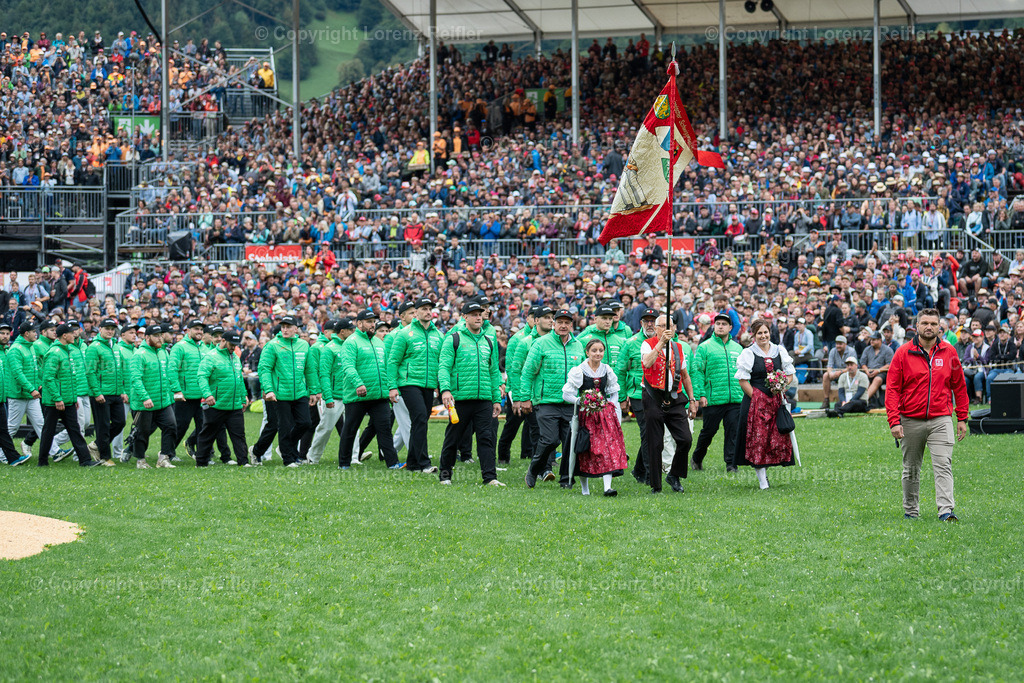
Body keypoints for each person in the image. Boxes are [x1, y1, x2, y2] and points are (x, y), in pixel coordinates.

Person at [886, 308, 969, 521]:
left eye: (933, 323)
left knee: (943, 464)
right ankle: (911, 511)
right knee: (911, 469)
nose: (929, 327)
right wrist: (894, 421)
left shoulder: (949, 352)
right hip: (910, 419)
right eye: (925, 323)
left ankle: (946, 511)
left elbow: (959, 386)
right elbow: (893, 388)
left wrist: (962, 417)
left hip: (941, 419)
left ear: (939, 326)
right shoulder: (903, 353)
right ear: (917, 326)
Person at [437, 300, 504, 485]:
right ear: (464, 317)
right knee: (453, 438)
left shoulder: (489, 342)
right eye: (473, 314)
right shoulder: (454, 338)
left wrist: (496, 399)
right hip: (459, 398)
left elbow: (493, 372)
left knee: (487, 438)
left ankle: (490, 478)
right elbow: (443, 367)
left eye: (480, 314)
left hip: (483, 399)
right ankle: (445, 476)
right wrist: (445, 390)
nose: (478, 317)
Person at [522, 308, 584, 488]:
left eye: (567, 322)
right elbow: (528, 373)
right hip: (547, 400)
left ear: (571, 325)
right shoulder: (541, 343)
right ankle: (534, 469)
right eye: (560, 322)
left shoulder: (578, 346)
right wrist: (525, 397)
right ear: (554, 324)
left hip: (570, 403)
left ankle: (566, 480)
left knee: (569, 444)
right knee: (550, 440)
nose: (563, 326)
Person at [735, 319, 797, 490]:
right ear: (754, 336)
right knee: (758, 440)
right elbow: (743, 379)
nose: (763, 336)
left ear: (770, 333)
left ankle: (766, 472)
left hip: (775, 402)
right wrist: (757, 397)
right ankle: (762, 479)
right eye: (759, 333)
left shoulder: (779, 350)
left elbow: (789, 374)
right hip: (756, 404)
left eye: (765, 332)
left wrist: (782, 384)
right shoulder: (748, 353)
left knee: (773, 439)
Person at [337, 309, 402, 470]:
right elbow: (348, 366)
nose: (372, 325)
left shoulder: (380, 342)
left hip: (379, 395)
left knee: (385, 429)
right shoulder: (351, 342)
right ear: (359, 324)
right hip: (357, 395)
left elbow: (386, 367)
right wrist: (358, 383)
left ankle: (392, 463)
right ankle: (344, 463)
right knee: (350, 430)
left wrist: (391, 387)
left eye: (373, 321)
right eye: (368, 322)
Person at [562, 339, 628, 496]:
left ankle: (607, 487)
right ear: (587, 352)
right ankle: (585, 489)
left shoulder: (607, 369)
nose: (598, 353)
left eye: (600, 350)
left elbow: (614, 391)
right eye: (594, 350)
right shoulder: (579, 370)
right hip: (586, 417)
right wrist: (581, 401)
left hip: (605, 418)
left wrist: (610, 404)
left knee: (608, 449)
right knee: (585, 450)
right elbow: (566, 394)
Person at [641, 315, 697, 494]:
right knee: (655, 442)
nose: (666, 329)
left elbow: (685, 375)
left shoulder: (678, 347)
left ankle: (674, 474)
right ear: (656, 328)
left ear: (674, 328)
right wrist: (660, 343)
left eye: (670, 326)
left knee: (685, 439)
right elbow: (647, 363)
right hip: (653, 396)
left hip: (675, 397)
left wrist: (692, 400)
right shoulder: (647, 344)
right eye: (662, 326)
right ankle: (656, 485)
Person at [387, 297, 443, 474]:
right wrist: (392, 386)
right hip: (409, 383)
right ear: (416, 312)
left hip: (428, 384)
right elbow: (393, 361)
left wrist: (439, 384)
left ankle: (411, 463)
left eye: (430, 309)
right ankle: (424, 463)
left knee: (421, 421)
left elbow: (442, 361)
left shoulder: (438, 335)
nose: (428, 312)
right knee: (419, 418)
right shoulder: (404, 334)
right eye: (424, 309)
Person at [257, 315, 319, 467]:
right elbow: (264, 369)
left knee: (305, 423)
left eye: (288, 326)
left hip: (299, 392)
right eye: (283, 326)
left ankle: (283, 447)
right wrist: (269, 389)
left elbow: (310, 370)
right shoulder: (273, 345)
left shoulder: (304, 346)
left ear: (296, 329)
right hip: (279, 394)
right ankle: (288, 459)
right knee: (284, 426)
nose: (285, 329)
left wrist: (313, 391)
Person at [39, 323, 100, 467]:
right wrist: (57, 398)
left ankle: (85, 460)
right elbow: (48, 378)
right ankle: (42, 461)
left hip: (68, 400)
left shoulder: (68, 351)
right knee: (48, 431)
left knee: (75, 430)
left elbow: (70, 378)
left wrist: (73, 398)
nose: (75, 335)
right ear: (64, 335)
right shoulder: (54, 352)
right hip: (55, 402)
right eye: (72, 333)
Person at [689, 312, 744, 472]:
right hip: (712, 398)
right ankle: (697, 457)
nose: (720, 326)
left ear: (731, 328)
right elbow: (698, 372)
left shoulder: (738, 348)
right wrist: (701, 395)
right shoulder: (705, 347)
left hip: (735, 398)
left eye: (724, 324)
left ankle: (731, 464)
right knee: (708, 431)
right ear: (714, 326)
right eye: (718, 323)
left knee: (733, 431)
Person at [6, 322, 65, 461]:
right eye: (34, 332)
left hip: (31, 395)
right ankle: (3, 454)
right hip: (19, 395)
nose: (36, 334)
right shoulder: (16, 349)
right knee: (12, 428)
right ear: (26, 333)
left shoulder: (30, 347)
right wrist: (31, 389)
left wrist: (37, 384)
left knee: (41, 424)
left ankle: (55, 451)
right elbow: (17, 373)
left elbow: (35, 370)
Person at [614, 307, 658, 484]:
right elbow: (621, 370)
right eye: (646, 321)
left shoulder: (662, 342)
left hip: (658, 393)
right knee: (647, 433)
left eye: (653, 321)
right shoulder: (631, 343)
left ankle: (639, 468)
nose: (650, 324)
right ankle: (649, 474)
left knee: (653, 433)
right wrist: (622, 397)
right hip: (638, 394)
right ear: (640, 323)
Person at [196, 330, 249, 467]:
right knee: (208, 434)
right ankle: (201, 462)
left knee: (239, 435)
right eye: (232, 344)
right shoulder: (211, 356)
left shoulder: (235, 357)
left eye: (236, 345)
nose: (234, 347)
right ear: (223, 341)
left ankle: (243, 462)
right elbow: (202, 376)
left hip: (234, 405)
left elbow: (239, 378)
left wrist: (243, 397)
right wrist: (207, 394)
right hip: (216, 404)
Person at [308, 318, 357, 464]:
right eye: (350, 329)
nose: (353, 331)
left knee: (354, 428)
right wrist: (327, 397)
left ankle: (353, 458)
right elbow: (324, 374)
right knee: (326, 427)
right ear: (342, 332)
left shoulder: (352, 345)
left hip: (350, 395)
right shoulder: (329, 348)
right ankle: (313, 456)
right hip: (334, 396)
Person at [129, 324, 177, 469]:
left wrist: (174, 392)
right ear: (147, 337)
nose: (159, 338)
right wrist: (145, 397)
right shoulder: (139, 355)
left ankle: (163, 458)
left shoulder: (163, 352)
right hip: (144, 402)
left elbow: (168, 375)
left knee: (171, 426)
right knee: (142, 432)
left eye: (160, 336)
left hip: (163, 401)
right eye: (156, 336)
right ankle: (140, 461)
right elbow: (135, 379)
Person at [497, 306, 538, 465]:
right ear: (527, 318)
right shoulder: (517, 339)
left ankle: (531, 455)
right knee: (512, 425)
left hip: (536, 390)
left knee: (535, 425)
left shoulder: (547, 337)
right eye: (533, 317)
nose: (536, 320)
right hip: (517, 388)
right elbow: (513, 368)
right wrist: (515, 393)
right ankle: (503, 455)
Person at [85, 318, 126, 464]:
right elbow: (90, 372)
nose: (110, 331)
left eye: (112, 328)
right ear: (100, 329)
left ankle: (96, 445)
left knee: (120, 422)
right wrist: (97, 392)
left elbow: (120, 370)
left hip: (115, 392)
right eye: (107, 328)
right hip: (101, 393)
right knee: (102, 425)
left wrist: (122, 390)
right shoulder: (94, 347)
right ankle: (105, 457)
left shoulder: (115, 346)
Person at [169, 319, 207, 459]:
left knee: (204, 426)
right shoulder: (180, 347)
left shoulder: (204, 348)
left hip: (202, 395)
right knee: (180, 426)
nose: (199, 332)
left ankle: (203, 455)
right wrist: (177, 390)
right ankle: (168, 452)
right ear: (188, 330)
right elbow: (172, 369)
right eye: (196, 328)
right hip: (185, 395)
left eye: (201, 329)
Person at [0, 322, 30, 465]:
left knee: (3, 430)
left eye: (7, 334)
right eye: (2, 333)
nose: (5, 336)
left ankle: (13, 458)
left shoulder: (7, 352)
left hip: (2, 397)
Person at [820, 334, 858, 410]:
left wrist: (840, 372)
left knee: (848, 373)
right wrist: (831, 373)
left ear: (845, 344)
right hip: (837, 372)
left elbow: (852, 366)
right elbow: (829, 366)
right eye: (837, 344)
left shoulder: (851, 351)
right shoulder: (833, 351)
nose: (838, 346)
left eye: (840, 344)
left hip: (848, 373)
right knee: (825, 375)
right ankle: (826, 400)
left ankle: (847, 401)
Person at [860, 331, 895, 406]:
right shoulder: (867, 349)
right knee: (863, 378)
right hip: (868, 371)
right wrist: (866, 371)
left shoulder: (887, 350)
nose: (871, 341)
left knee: (877, 379)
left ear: (880, 340)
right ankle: (861, 399)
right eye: (871, 339)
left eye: (874, 339)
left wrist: (878, 370)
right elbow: (862, 363)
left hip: (882, 372)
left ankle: (864, 400)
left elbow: (890, 364)